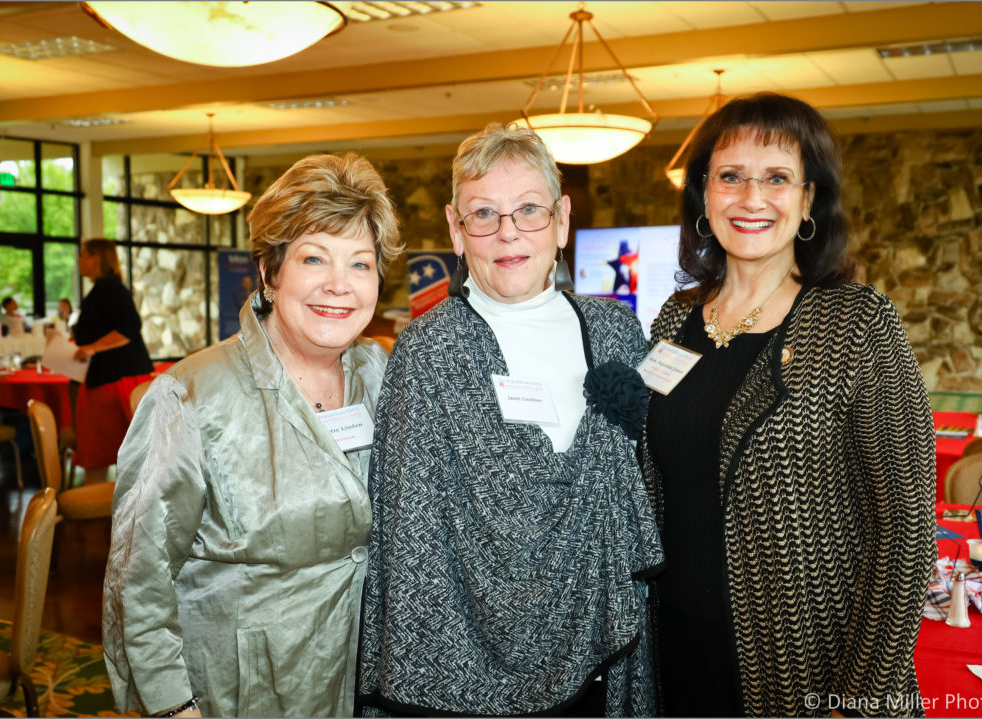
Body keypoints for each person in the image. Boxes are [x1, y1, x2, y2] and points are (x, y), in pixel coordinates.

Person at [641, 91, 937, 718]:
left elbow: (906, 531)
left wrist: (857, 698)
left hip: (810, 662)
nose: (751, 198)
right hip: (674, 649)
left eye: (777, 178)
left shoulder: (857, 323)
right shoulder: (673, 319)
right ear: (703, 196)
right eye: (731, 177)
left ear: (808, 201)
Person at [358, 123, 663, 717]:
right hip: (460, 667)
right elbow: (410, 538)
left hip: (603, 655)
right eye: (484, 214)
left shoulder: (616, 334)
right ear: (455, 228)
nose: (508, 232)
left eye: (528, 209)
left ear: (561, 220)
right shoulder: (428, 352)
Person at [103, 152, 402, 718]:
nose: (339, 285)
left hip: (363, 684)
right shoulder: (191, 396)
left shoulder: (383, 376)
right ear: (269, 271)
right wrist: (170, 707)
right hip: (240, 693)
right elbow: (136, 577)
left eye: (360, 264)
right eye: (314, 258)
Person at [72, 239, 154, 484]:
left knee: (121, 452)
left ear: (96, 258)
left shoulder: (110, 288)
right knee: (103, 451)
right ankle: (99, 503)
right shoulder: (103, 289)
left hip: (117, 379)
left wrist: (91, 347)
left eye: (83, 255)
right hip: (107, 377)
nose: (79, 259)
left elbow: (130, 327)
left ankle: (108, 504)